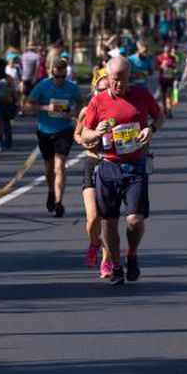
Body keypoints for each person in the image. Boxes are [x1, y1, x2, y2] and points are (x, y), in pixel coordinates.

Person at [79, 56, 164, 285]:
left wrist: (151, 129)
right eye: (115, 80)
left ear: (130, 77)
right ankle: (116, 265)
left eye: (123, 80)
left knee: (135, 220)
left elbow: (159, 115)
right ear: (108, 77)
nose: (118, 85)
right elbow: (84, 134)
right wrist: (96, 133)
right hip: (108, 165)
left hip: (135, 165)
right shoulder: (98, 102)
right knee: (108, 221)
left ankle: (132, 255)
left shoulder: (141, 95)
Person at [25, 58, 81, 218]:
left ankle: (58, 202)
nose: (60, 80)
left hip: (64, 130)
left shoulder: (72, 88)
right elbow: (27, 106)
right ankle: (51, 191)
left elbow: (81, 103)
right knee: (49, 168)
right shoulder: (42, 86)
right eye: (57, 77)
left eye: (63, 77)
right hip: (45, 131)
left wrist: (74, 112)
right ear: (52, 73)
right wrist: (45, 107)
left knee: (60, 165)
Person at [74, 68, 110, 276]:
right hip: (91, 162)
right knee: (93, 218)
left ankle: (106, 262)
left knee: (106, 218)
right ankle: (94, 242)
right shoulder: (86, 110)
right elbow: (77, 135)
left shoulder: (116, 110)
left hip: (110, 164)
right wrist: (86, 140)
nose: (104, 92)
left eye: (108, 89)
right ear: (94, 88)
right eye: (101, 88)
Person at [0, 57, 17, 151]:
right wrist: (16, 101)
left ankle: (0, 143)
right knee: (7, 124)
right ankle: (8, 143)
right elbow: (13, 90)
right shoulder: (9, 78)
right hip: (8, 102)